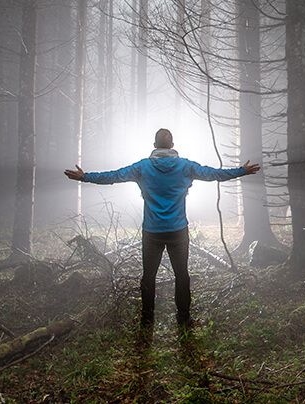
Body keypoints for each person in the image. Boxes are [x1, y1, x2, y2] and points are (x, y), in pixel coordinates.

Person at [64, 128, 260, 330]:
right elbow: (214, 174)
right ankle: (184, 319)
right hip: (178, 230)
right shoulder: (185, 166)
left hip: (152, 231)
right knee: (181, 275)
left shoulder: (142, 167)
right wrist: (241, 171)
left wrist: (85, 177)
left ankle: (147, 320)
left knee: (148, 276)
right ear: (172, 146)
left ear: (155, 145)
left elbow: (113, 176)